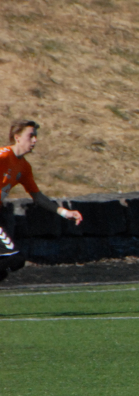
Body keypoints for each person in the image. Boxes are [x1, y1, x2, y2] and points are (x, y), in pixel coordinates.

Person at [0, 120, 83, 281]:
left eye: (36, 136)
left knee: (5, 268)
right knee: (15, 258)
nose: (35, 140)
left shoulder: (24, 167)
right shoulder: (3, 156)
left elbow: (37, 196)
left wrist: (64, 212)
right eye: (30, 136)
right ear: (17, 137)